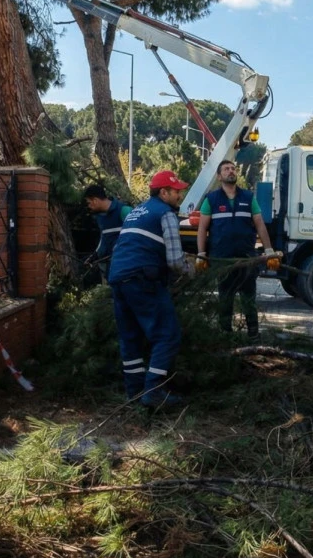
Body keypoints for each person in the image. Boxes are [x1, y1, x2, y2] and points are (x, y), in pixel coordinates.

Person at [107, 170, 195, 407]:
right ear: (163, 192)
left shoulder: (135, 212)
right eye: (176, 191)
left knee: (130, 338)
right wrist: (193, 270)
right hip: (143, 278)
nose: (180, 195)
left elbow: (121, 247)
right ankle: (154, 391)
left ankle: (134, 393)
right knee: (167, 334)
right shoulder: (166, 214)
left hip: (118, 277)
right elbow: (175, 260)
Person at [195, 160, 277, 338]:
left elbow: (260, 224)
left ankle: (253, 334)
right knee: (225, 298)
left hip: (247, 258)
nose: (231, 171)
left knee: (248, 298)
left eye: (233, 168)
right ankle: (226, 335)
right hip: (222, 259)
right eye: (226, 169)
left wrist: (269, 251)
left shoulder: (248, 197)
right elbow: (202, 228)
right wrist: (201, 254)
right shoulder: (211, 200)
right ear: (219, 176)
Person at [82, 184, 132, 268]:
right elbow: (104, 238)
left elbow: (136, 237)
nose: (89, 206)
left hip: (127, 263)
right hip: (110, 265)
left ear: (95, 200)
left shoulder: (124, 210)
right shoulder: (100, 217)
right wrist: (94, 256)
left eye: (89, 203)